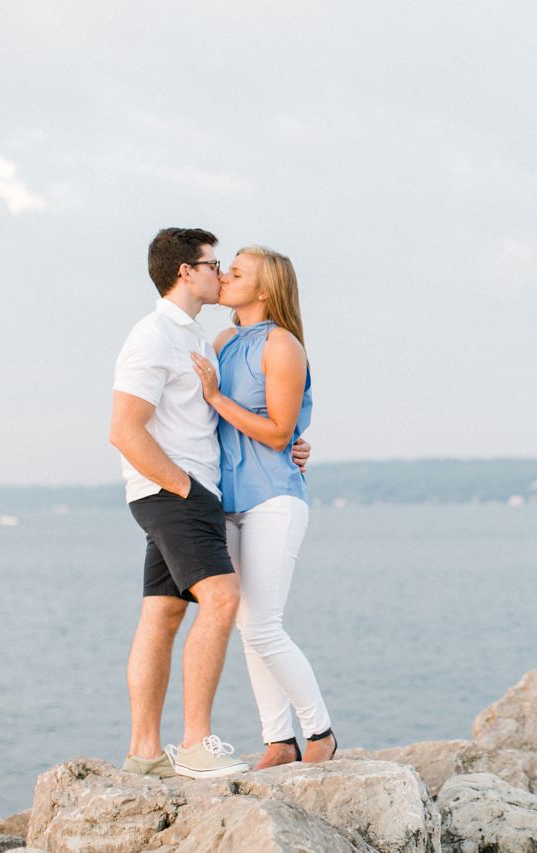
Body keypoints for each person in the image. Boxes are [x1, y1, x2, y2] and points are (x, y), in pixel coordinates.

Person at [109, 228, 311, 779]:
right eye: (213, 263)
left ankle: (145, 754)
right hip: (178, 492)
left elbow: (237, 421)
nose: (220, 273)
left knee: (163, 613)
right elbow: (124, 430)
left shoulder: (200, 339)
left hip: (196, 491)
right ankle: (197, 745)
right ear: (185, 272)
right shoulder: (152, 336)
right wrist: (181, 488)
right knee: (223, 602)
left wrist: (290, 442)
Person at [189, 245, 337, 769]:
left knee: (263, 626)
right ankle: (279, 740)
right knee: (246, 623)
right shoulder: (225, 340)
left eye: (236, 272)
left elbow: (278, 434)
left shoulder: (283, 345)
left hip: (274, 498)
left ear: (265, 289)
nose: (224, 277)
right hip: (227, 504)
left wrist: (217, 398)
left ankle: (319, 731)